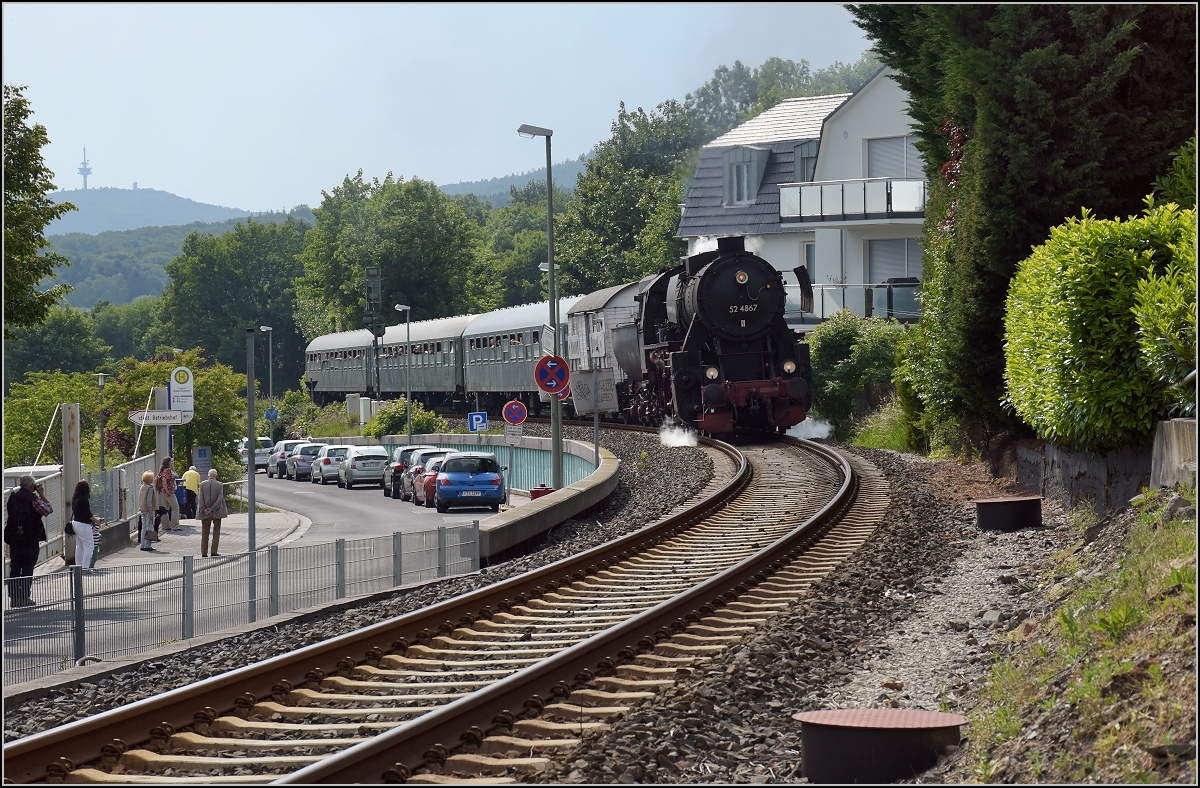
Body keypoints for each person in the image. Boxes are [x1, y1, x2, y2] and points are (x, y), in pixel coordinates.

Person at [4, 475, 50, 606]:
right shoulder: (34, 499)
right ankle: (24, 598)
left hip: (14, 538)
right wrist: (41, 494)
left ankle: (14, 598)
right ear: (32, 486)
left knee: (15, 568)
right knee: (27, 568)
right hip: (30, 539)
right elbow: (48, 510)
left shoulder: (12, 497)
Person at [70, 480, 102, 569]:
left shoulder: (74, 498)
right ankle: (85, 567)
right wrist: (97, 520)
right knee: (89, 546)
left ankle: (78, 567)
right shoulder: (84, 499)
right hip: (83, 525)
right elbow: (88, 514)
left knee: (79, 546)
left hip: (75, 523)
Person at [197, 469, 229, 557]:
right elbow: (220, 499)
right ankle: (214, 552)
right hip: (217, 512)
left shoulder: (202, 484)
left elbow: (200, 498)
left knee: (205, 532)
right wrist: (212, 508)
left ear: (208, 476)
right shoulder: (219, 485)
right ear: (216, 476)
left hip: (205, 513)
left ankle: (204, 552)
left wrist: (204, 509)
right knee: (216, 532)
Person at [155, 457, 180, 531]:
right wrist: (167, 490)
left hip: (162, 492)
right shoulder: (168, 470)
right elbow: (164, 480)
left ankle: (165, 526)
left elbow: (156, 479)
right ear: (168, 463)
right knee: (175, 507)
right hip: (169, 492)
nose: (172, 463)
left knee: (165, 508)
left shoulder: (161, 470)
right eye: (171, 462)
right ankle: (175, 526)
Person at [137, 470, 157, 551]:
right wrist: (151, 512)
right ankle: (147, 545)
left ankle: (142, 544)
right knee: (149, 527)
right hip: (148, 510)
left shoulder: (142, 487)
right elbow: (149, 501)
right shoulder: (150, 488)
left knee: (144, 527)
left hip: (142, 509)